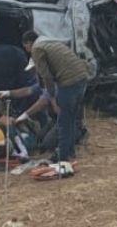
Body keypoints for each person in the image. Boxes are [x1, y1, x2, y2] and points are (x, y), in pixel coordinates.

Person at [25, 31, 92, 162]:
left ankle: (62, 156)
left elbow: (46, 76)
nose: (27, 50)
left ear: (28, 43)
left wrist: (52, 95)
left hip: (68, 82)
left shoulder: (37, 49)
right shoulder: (50, 41)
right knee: (71, 118)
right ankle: (70, 152)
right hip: (82, 77)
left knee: (64, 121)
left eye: (25, 47)